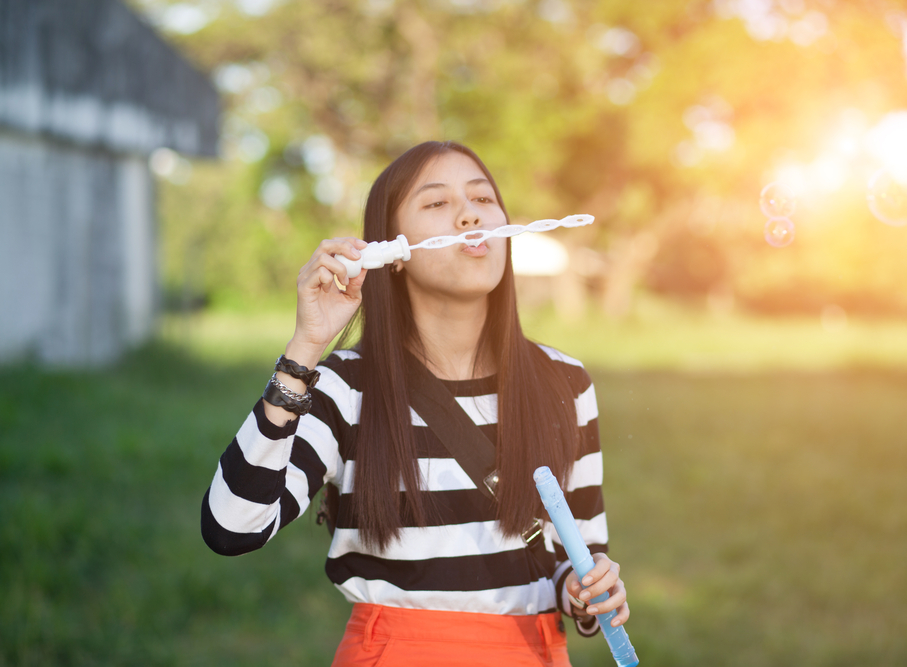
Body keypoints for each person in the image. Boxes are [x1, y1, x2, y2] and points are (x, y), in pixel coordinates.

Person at [201, 140, 629, 666]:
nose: (470, 214)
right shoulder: (345, 388)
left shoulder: (565, 382)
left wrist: (588, 593)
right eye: (436, 204)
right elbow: (232, 527)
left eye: (482, 198)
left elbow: (573, 553)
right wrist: (306, 347)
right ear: (393, 253)